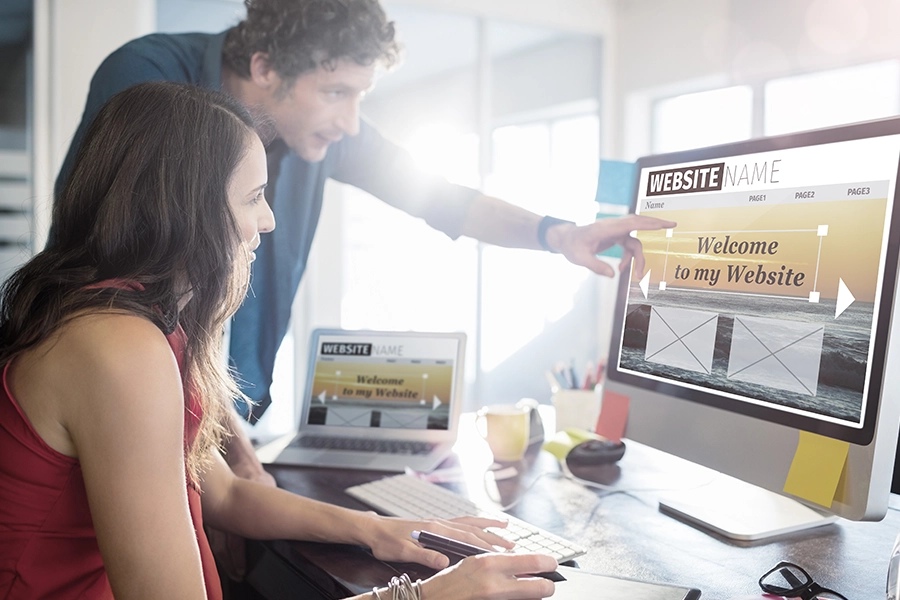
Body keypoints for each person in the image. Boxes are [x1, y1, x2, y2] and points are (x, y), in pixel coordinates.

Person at [53, 0, 676, 482]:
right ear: (265, 67)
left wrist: (557, 234)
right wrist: (228, 457)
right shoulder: (151, 81)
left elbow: (438, 196)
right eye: (336, 92)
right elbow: (116, 273)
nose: (351, 121)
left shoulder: (323, 131)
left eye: (360, 96)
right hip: (130, 404)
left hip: (223, 419)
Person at [0, 80, 558, 599]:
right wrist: (427, 594)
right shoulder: (118, 347)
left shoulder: (135, 322)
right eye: (253, 196)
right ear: (186, 207)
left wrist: (380, 531)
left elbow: (223, 493)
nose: (267, 221)